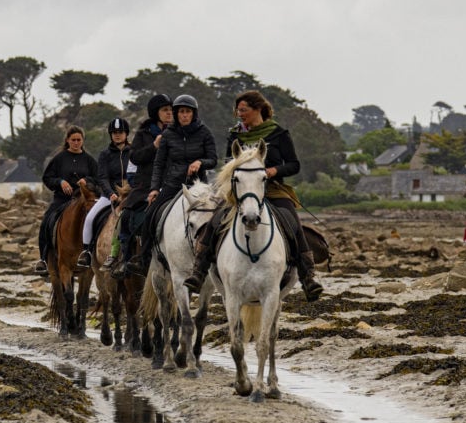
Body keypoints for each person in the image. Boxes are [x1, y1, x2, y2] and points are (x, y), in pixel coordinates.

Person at [183, 90, 324, 302]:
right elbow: (229, 163)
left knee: (293, 224)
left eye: (243, 110)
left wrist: (273, 171)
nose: (239, 114)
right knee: (214, 221)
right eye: (237, 110)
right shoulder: (235, 134)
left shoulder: (278, 133)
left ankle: (308, 276)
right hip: (240, 192)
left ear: (258, 109)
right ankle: (199, 271)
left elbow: (294, 165)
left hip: (273, 189)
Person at [126, 94, 218, 277]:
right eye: (181, 112)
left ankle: (216, 258)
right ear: (177, 114)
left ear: (194, 114)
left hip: (198, 185)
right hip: (173, 183)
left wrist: (200, 162)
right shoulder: (168, 135)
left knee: (218, 215)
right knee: (151, 213)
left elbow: (213, 159)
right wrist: (153, 189)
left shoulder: (204, 132)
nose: (184, 115)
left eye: (188, 112)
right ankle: (143, 259)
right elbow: (159, 164)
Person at [108, 94, 174, 277]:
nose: (170, 113)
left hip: (172, 184)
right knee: (126, 216)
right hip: (146, 185)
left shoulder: (177, 132)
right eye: (165, 110)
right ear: (156, 113)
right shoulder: (143, 134)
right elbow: (135, 157)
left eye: (171, 109)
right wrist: (154, 146)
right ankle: (126, 259)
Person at [34, 126, 99, 275]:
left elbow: (98, 178)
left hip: (83, 200)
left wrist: (87, 180)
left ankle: (91, 253)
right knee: (46, 221)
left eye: (79, 140)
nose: (76, 143)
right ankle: (43, 259)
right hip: (62, 200)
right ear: (67, 141)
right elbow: (47, 177)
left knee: (98, 220)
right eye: (73, 140)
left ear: (82, 141)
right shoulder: (59, 158)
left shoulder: (89, 160)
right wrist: (60, 182)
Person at [77, 117, 132, 267]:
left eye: (120, 132)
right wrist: (110, 194)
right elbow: (102, 177)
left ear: (126, 133)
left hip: (131, 196)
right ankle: (87, 251)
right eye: (114, 132)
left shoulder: (134, 152)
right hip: (109, 196)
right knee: (89, 219)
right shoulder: (105, 154)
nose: (117, 135)